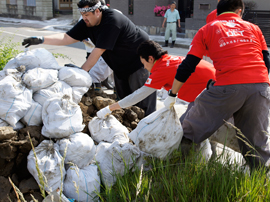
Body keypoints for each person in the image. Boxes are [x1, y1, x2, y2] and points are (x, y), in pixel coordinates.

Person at [165, 0, 270, 171]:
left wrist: (172, 94)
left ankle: (175, 169)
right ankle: (260, 182)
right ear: (239, 11)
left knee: (189, 128)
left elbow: (188, 65)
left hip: (227, 86)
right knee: (256, 145)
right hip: (260, 86)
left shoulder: (208, 29)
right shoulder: (254, 28)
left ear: (217, 11)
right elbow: (266, 62)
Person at [22, 0, 156, 116]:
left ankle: (153, 134)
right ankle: (134, 134)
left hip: (139, 62)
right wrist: (41, 39)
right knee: (125, 102)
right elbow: (67, 37)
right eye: (82, 15)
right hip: (120, 66)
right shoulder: (88, 23)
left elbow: (98, 51)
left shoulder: (111, 20)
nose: (84, 18)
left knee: (142, 100)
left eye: (86, 15)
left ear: (97, 11)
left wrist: (81, 72)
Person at [96, 40, 216, 122]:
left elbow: (138, 95)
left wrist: (110, 108)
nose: (144, 67)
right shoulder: (169, 60)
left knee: (188, 129)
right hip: (215, 85)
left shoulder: (161, 69)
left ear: (151, 58)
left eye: (143, 63)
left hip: (212, 95)